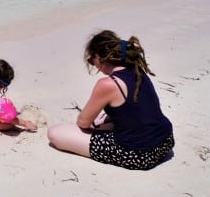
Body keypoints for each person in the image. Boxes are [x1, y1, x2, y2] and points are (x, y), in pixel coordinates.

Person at [47, 30, 174, 170]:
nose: (93, 64)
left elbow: (83, 122)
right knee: (105, 117)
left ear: (98, 57)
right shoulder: (136, 68)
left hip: (139, 154)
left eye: (91, 60)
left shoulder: (108, 84)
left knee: (55, 133)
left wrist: (96, 125)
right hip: (165, 141)